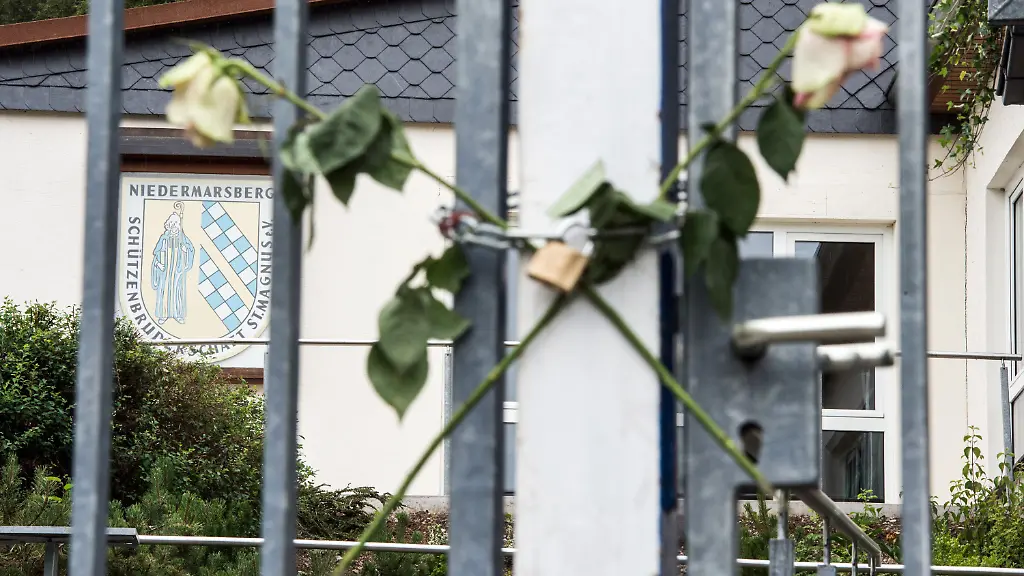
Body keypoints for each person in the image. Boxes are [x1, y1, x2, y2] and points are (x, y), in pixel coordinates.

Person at [151, 203, 195, 324]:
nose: (175, 227)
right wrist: (159, 265)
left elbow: (191, 249)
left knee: (177, 292)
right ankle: (163, 315)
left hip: (177, 270)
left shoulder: (182, 237)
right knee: (164, 291)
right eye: (173, 224)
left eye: (177, 224)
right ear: (169, 225)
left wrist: (186, 251)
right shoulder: (164, 238)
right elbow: (156, 253)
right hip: (165, 271)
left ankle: (178, 314)